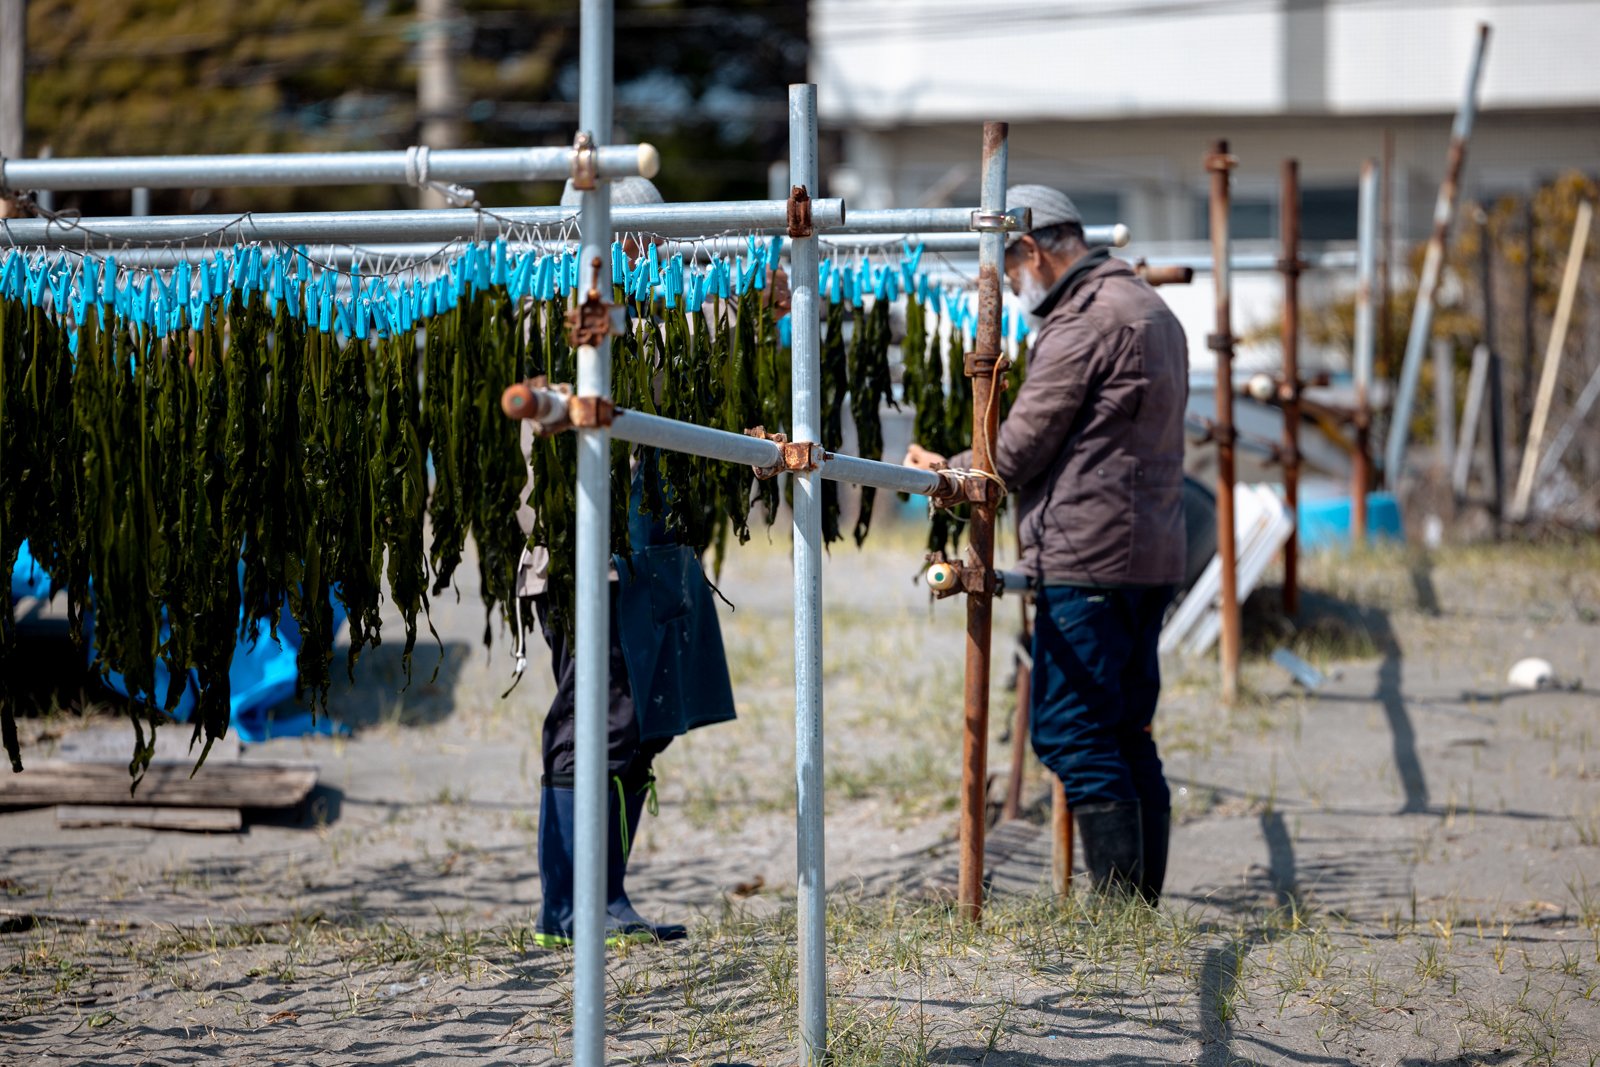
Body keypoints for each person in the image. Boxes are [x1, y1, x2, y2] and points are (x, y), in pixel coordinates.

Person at [905, 185, 1188, 902]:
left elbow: (1018, 449)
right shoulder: (1149, 306)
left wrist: (948, 472)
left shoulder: (1084, 321)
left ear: (1031, 249)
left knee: (1071, 730)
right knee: (1127, 728)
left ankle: (1120, 910)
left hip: (1089, 554)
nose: (1009, 287)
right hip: (1151, 550)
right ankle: (1137, 909)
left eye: (1007, 268)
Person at [516, 177, 737, 948]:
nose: (654, 257)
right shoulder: (563, 319)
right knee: (599, 721)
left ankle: (599, 896)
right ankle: (574, 906)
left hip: (640, 558)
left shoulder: (637, 320)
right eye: (646, 243)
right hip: (586, 559)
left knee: (638, 725)